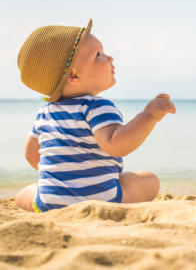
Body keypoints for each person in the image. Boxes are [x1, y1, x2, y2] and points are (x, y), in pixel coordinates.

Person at [15, 19, 176, 213]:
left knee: (24, 195)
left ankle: (51, 199)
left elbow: (32, 155)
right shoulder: (96, 106)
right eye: (98, 54)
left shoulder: (45, 112)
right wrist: (149, 116)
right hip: (102, 200)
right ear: (74, 76)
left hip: (51, 203)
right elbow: (117, 145)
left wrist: (64, 174)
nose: (110, 58)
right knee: (149, 180)